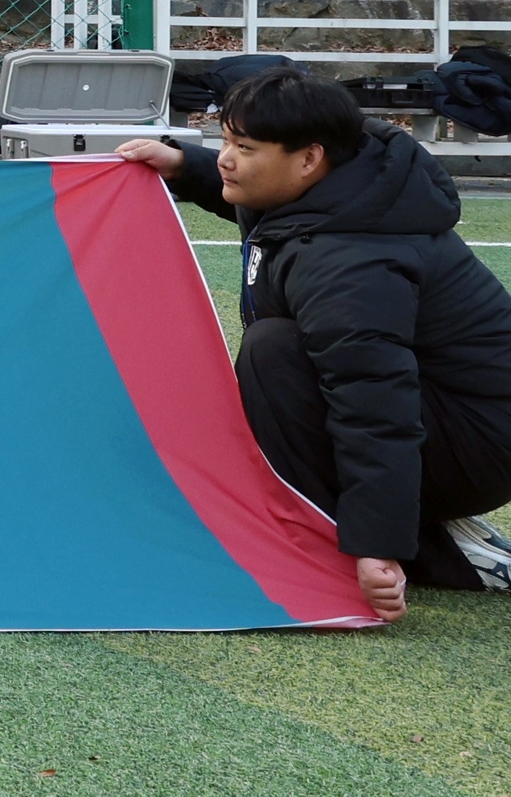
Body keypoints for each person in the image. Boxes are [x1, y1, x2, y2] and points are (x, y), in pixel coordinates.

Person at [119, 72, 511, 616]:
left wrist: (379, 546)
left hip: (479, 442)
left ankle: (404, 542)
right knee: (278, 352)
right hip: (455, 413)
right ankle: (414, 513)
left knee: (274, 354)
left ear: (308, 159)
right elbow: (256, 193)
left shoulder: (353, 265)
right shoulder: (337, 180)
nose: (227, 159)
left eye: (244, 148)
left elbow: (376, 406)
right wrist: (186, 166)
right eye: (226, 142)